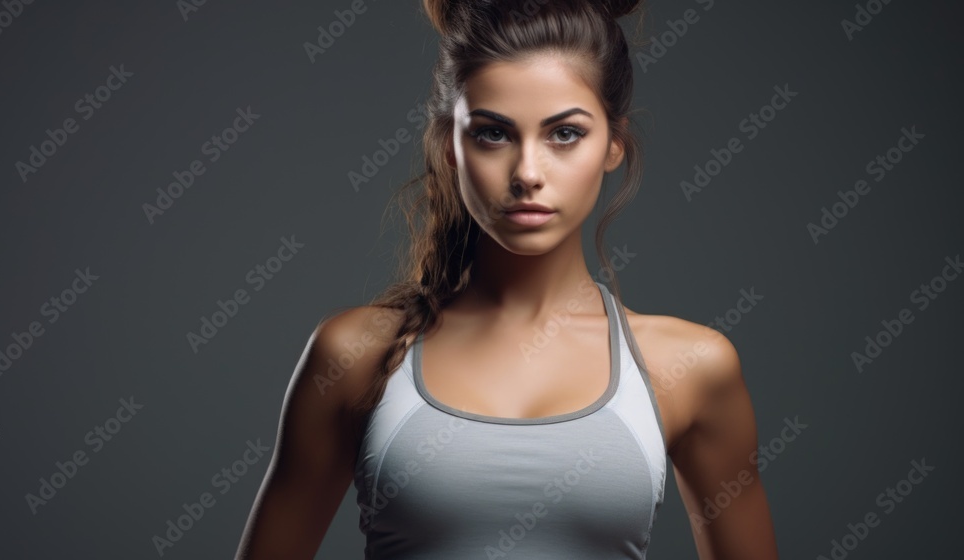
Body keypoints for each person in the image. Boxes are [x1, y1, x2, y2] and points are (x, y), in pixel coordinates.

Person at [234, 0, 779, 558]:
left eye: (564, 134)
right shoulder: (355, 354)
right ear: (450, 146)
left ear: (614, 144)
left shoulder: (688, 368)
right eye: (493, 134)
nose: (527, 174)